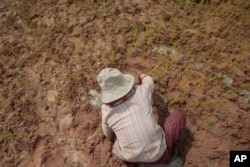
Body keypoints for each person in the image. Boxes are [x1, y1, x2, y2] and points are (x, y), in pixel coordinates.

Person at [97, 68, 186, 165]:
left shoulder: (106, 110)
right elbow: (149, 82)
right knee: (178, 116)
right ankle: (169, 156)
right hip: (159, 156)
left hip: (130, 157)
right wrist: (142, 76)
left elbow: (108, 134)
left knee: (115, 134)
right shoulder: (140, 92)